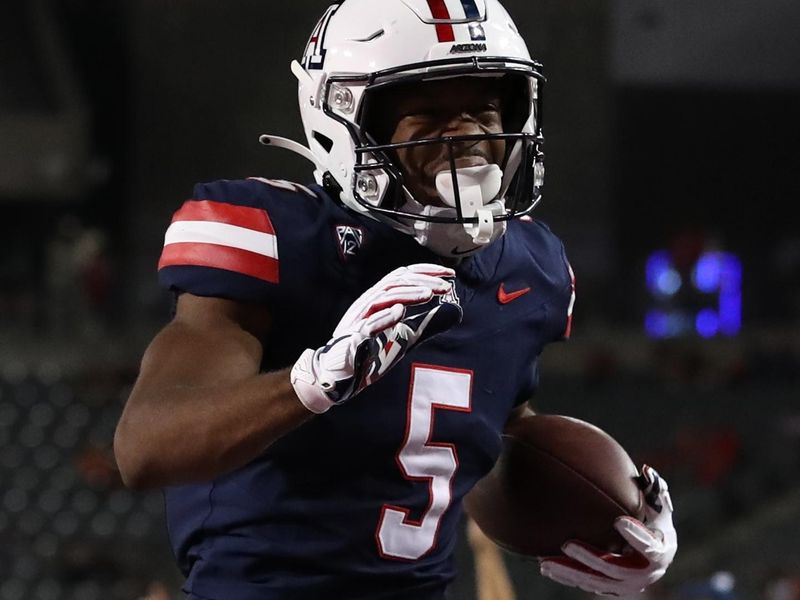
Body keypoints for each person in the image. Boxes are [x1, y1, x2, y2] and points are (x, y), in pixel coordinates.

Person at [114, 1, 677, 598]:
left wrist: (608, 521)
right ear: (345, 119)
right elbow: (146, 448)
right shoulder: (278, 237)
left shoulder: (528, 266)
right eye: (428, 114)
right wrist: (315, 380)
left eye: (485, 109)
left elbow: (476, 440)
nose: (467, 136)